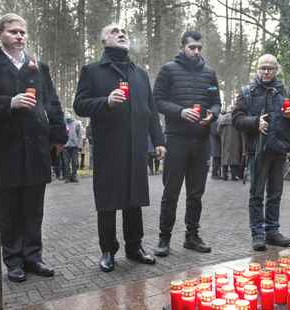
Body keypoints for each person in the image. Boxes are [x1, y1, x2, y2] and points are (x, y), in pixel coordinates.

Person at [0, 13, 67, 282]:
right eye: (13, 31)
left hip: (36, 149)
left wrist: (58, 135)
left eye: (22, 32)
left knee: (34, 209)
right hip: (5, 149)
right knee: (8, 210)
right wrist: (9, 102)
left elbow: (52, 102)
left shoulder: (38, 67)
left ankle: (33, 257)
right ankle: (13, 260)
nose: (19, 36)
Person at [73, 24, 166, 272]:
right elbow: (79, 105)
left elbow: (151, 111)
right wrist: (106, 102)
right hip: (108, 147)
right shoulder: (92, 71)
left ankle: (134, 247)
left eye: (124, 31)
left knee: (134, 198)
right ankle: (107, 251)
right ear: (104, 40)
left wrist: (158, 140)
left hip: (136, 147)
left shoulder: (140, 74)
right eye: (114, 31)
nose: (121, 33)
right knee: (107, 201)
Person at [153, 31, 221, 257]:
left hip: (201, 141)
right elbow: (157, 101)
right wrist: (180, 112)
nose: (197, 51)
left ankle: (192, 236)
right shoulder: (168, 70)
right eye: (192, 47)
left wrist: (212, 114)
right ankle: (164, 239)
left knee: (196, 193)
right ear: (183, 47)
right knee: (171, 191)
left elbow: (216, 102)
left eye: (199, 47)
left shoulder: (210, 73)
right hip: (176, 139)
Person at [232, 54, 290, 251]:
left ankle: (272, 231)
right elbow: (236, 119)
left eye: (270, 68)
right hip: (258, 151)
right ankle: (258, 233)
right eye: (263, 67)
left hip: (279, 149)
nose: (266, 71)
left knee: (275, 193)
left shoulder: (285, 91)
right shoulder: (247, 92)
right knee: (256, 194)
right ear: (257, 69)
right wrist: (255, 122)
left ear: (276, 70)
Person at [218, 105, 243, 181]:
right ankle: (233, 176)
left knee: (225, 157)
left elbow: (218, 130)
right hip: (235, 140)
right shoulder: (237, 118)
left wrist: (222, 135)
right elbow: (241, 130)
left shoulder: (222, 118)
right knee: (234, 157)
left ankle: (224, 176)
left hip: (224, 139)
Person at [63, 112, 82, 183]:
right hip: (65, 147)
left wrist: (80, 145)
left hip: (74, 146)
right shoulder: (63, 123)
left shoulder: (76, 123)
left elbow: (79, 135)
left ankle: (74, 176)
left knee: (75, 162)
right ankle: (67, 177)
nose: (67, 117)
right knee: (66, 162)